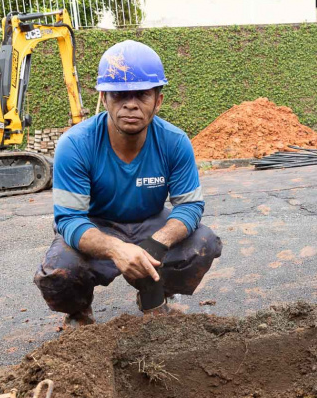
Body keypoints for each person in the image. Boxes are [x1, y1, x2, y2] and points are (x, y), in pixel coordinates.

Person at [34, 40, 222, 325]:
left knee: (203, 243)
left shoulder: (174, 141)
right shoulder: (75, 144)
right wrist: (116, 249)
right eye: (119, 95)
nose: (130, 105)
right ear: (104, 97)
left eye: (142, 95)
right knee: (59, 271)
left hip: (151, 222)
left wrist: (158, 242)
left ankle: (155, 299)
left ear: (157, 100)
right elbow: (69, 219)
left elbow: (190, 205)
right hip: (97, 225)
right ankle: (79, 314)